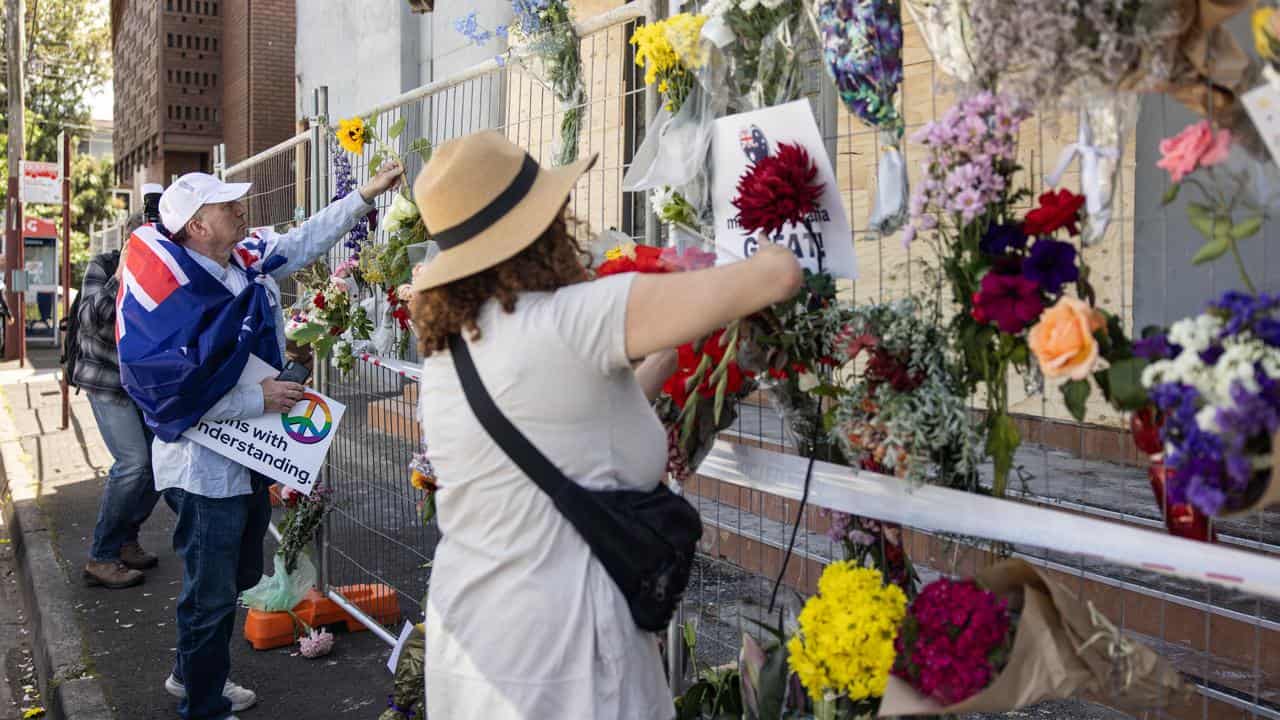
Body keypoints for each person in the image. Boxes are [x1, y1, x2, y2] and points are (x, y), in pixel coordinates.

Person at [406, 131, 802, 719]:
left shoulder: (454, 348)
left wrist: (652, 370)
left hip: (475, 640)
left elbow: (562, 437)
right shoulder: (572, 319)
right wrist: (770, 245)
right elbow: (775, 280)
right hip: (564, 657)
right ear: (539, 230)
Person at [119, 164, 402, 720]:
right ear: (198, 226)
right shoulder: (175, 299)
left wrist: (363, 197)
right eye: (228, 207)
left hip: (242, 457)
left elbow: (300, 240)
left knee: (239, 576)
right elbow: (176, 391)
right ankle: (202, 702)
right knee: (211, 592)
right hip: (202, 469)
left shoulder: (236, 261)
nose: (243, 212)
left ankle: (189, 670)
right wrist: (260, 400)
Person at [79, 212, 164, 589]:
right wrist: (126, 271)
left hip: (143, 386)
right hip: (107, 381)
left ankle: (125, 539)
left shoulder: (167, 271)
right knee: (133, 463)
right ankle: (101, 556)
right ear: (130, 240)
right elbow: (94, 317)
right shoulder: (105, 265)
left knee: (159, 466)